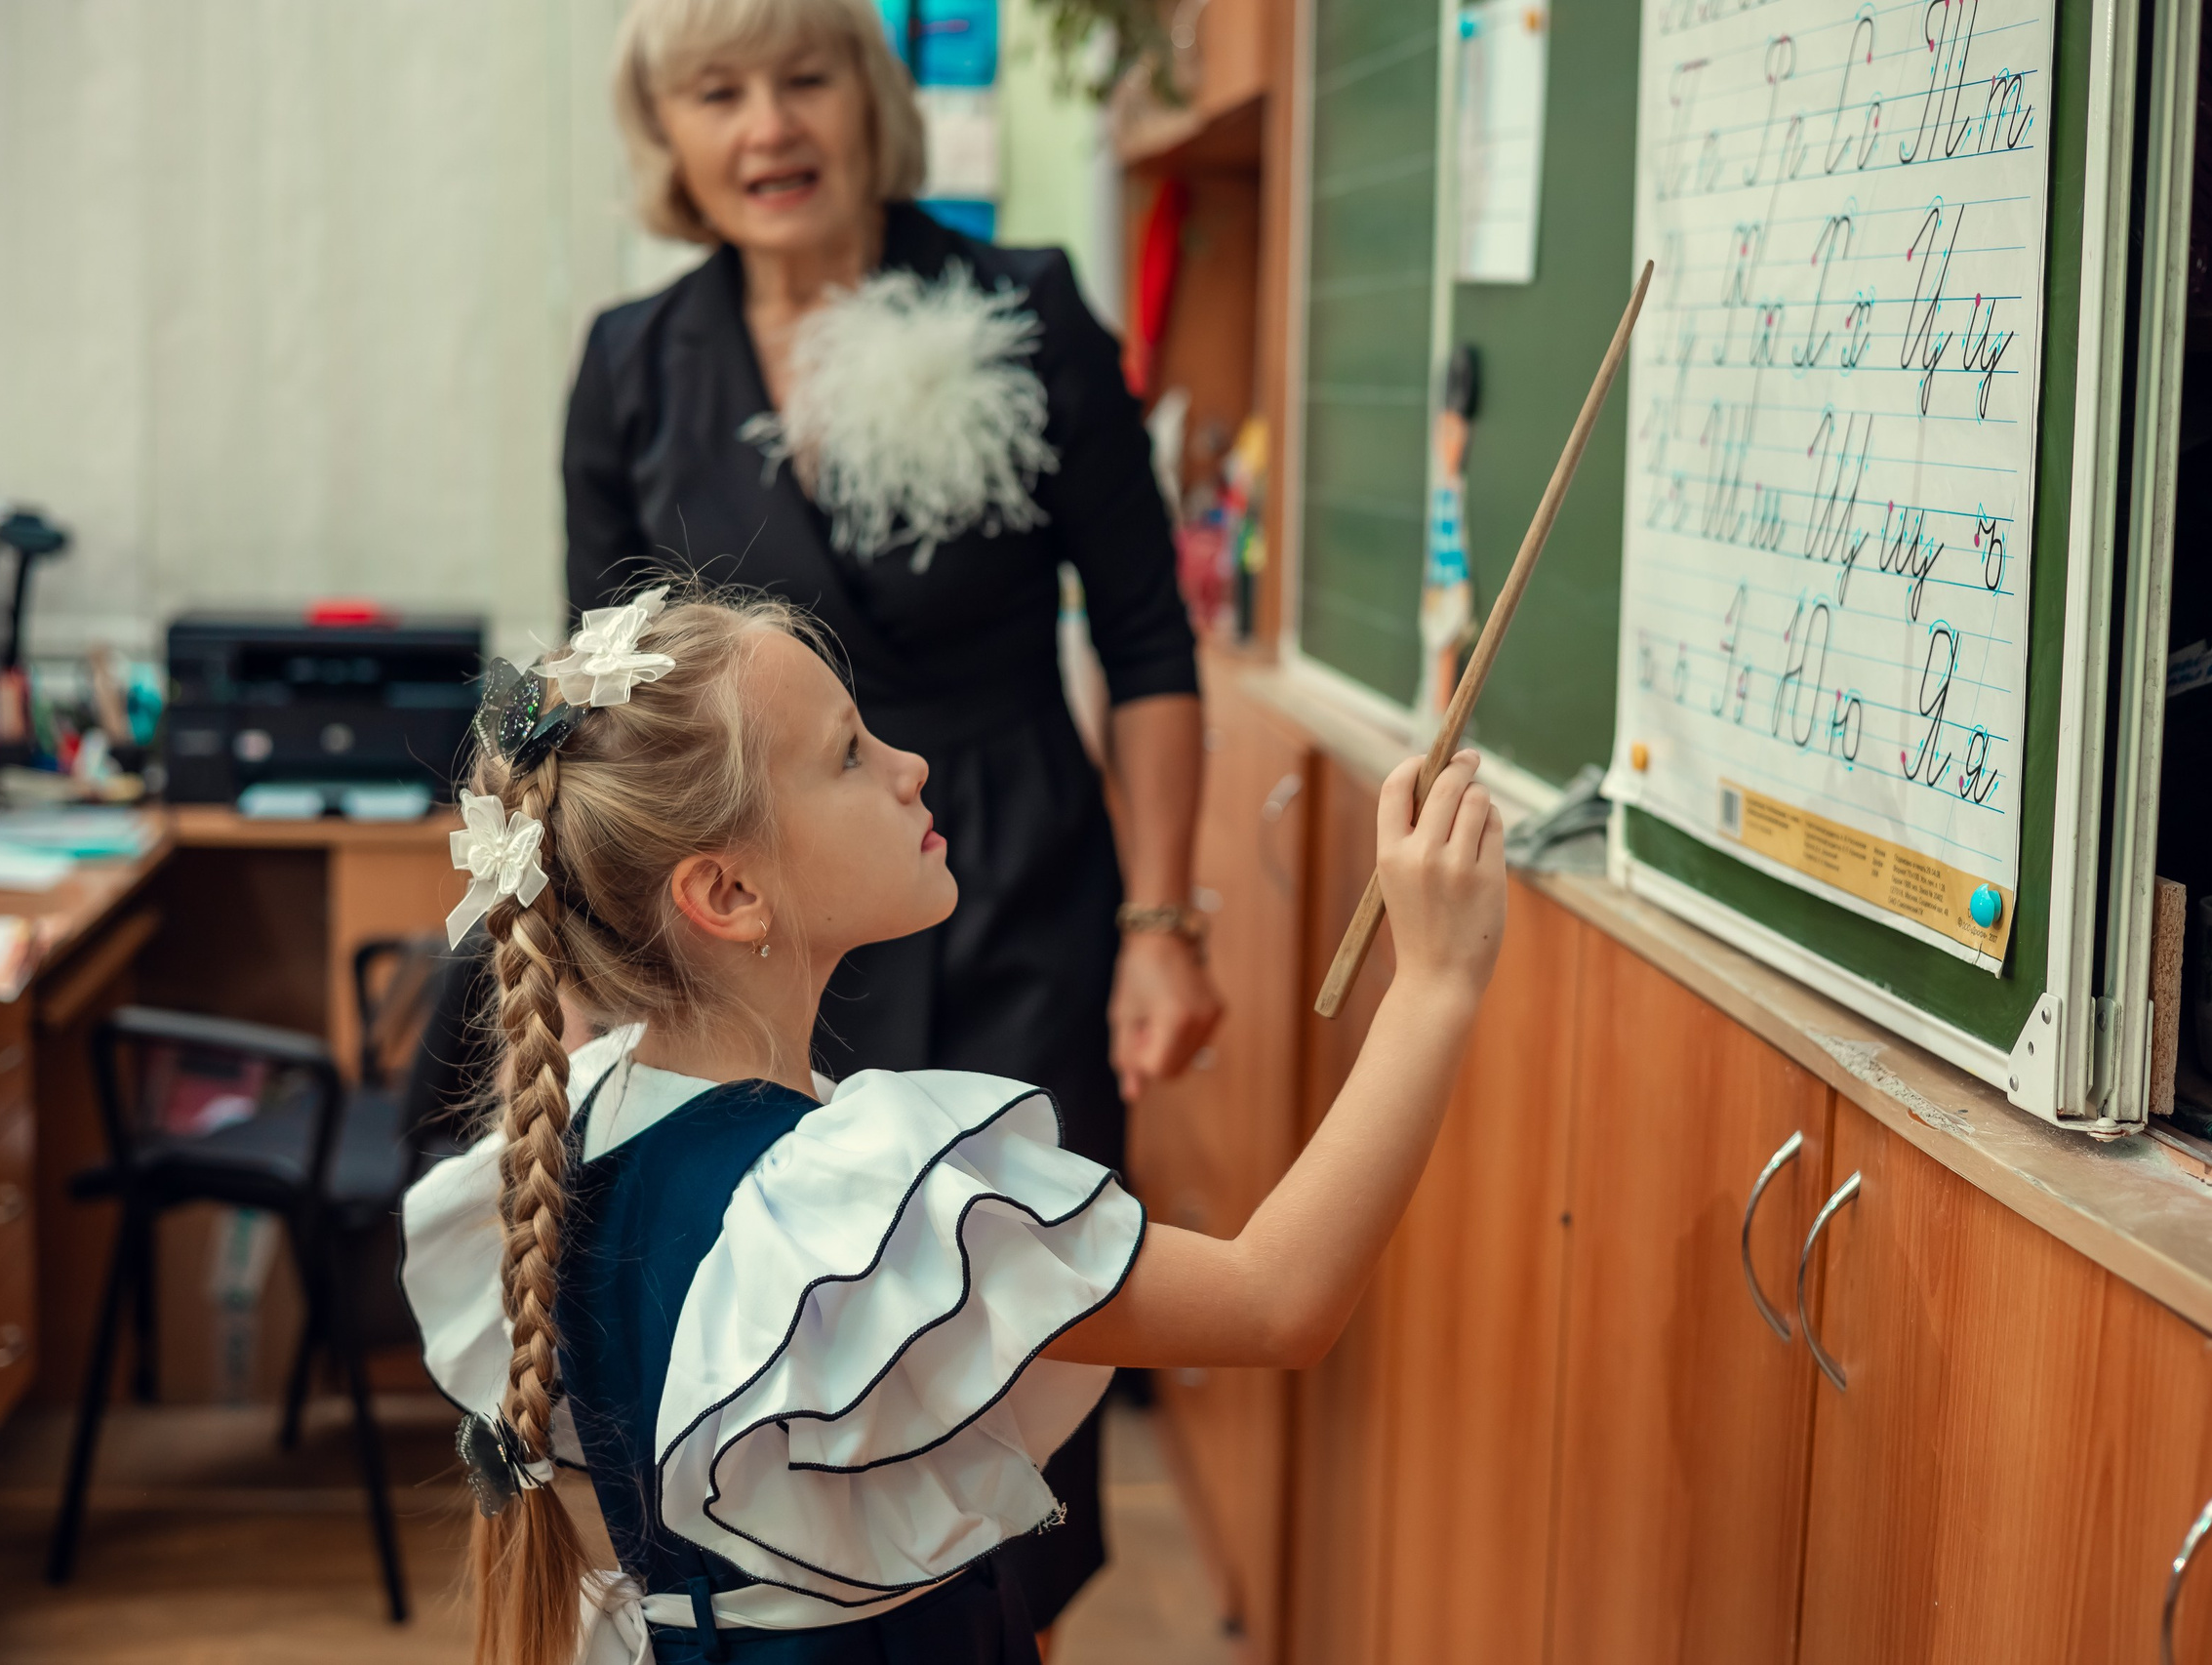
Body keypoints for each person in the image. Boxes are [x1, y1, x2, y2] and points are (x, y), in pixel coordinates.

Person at [398, 589, 1504, 1664]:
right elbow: (1274, 1300)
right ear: (727, 894)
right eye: (849, 754)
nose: (911, 765)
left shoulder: (583, 1121)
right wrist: (1437, 982)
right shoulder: (859, 1202)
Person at [563, 7, 1219, 1611]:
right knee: (809, 1381)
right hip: (760, 949)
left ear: (869, 99)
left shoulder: (1028, 308)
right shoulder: (630, 365)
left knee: (1025, 1350)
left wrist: (1160, 924)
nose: (768, 127)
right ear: (668, 132)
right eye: (719, 92)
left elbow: (1147, 640)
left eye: (805, 78)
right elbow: (608, 715)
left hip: (1014, 896)